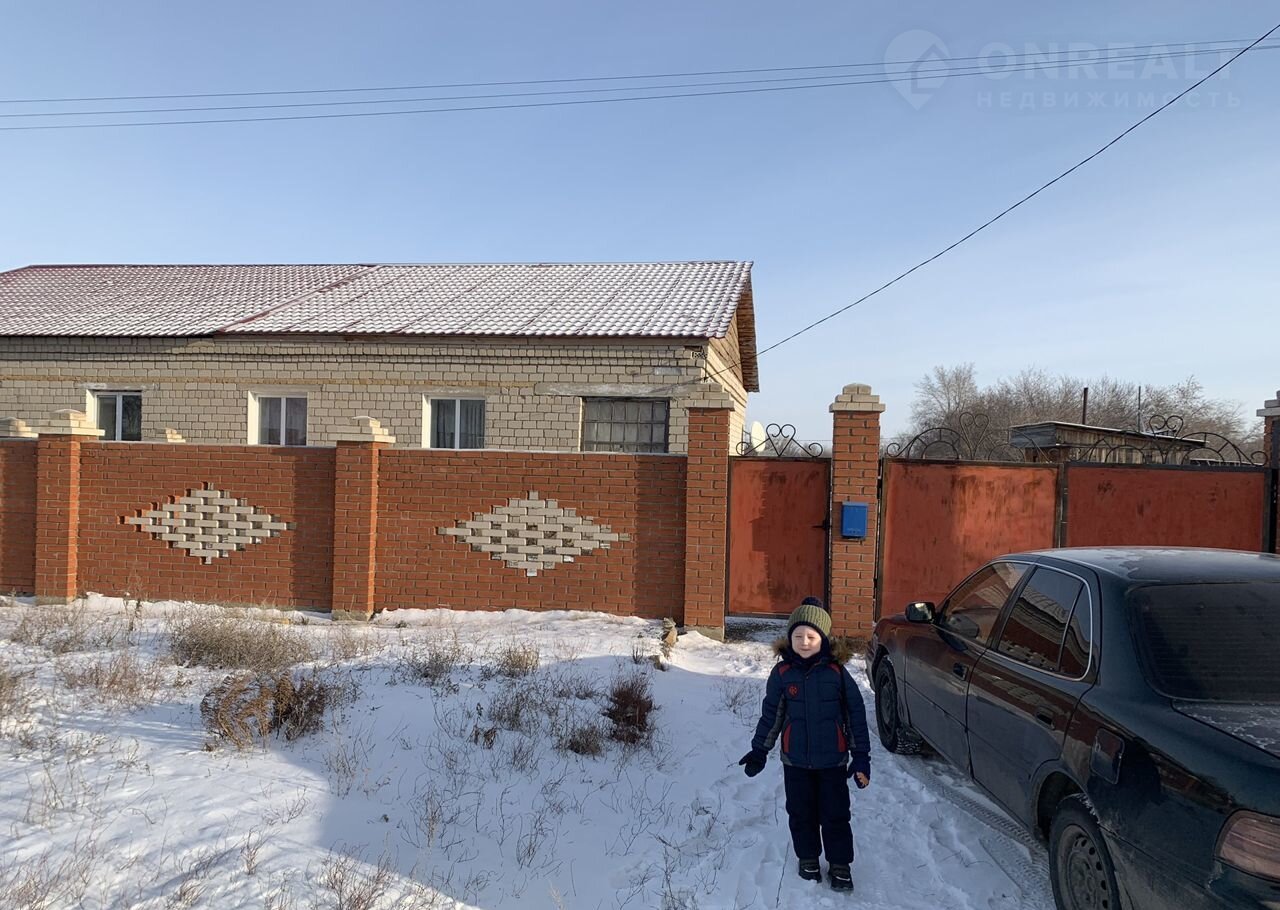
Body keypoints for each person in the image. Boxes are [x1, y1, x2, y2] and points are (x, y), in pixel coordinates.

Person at [739, 598, 871, 893]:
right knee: (800, 813)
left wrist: (861, 756)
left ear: (824, 639)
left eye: (811, 636)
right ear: (789, 638)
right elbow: (772, 715)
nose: (804, 642)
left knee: (836, 814)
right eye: (798, 636)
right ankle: (808, 857)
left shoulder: (837, 673)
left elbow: (855, 715)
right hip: (796, 761)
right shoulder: (783, 674)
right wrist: (760, 750)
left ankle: (840, 864)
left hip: (833, 761)